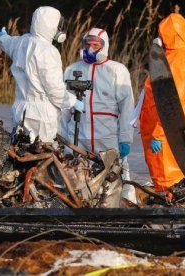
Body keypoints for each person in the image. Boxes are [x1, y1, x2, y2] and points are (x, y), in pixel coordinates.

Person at [60, 27, 135, 203]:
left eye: (96, 44)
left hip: (107, 136)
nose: (91, 48)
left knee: (117, 176)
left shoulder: (117, 70)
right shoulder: (72, 70)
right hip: (78, 137)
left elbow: (127, 107)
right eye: (88, 44)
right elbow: (62, 108)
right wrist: (61, 138)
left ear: (105, 46)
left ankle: (129, 211)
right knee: (74, 179)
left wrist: (125, 138)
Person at [139, 13, 185, 194]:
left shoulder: (174, 61)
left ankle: (171, 217)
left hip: (169, 132)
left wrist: (159, 134)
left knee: (167, 181)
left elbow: (169, 102)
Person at [0, 6, 84, 143]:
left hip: (20, 111)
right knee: (43, 156)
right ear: (52, 26)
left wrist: (3, 38)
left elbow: (9, 43)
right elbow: (54, 89)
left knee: (20, 153)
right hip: (41, 115)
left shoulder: (22, 41)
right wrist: (73, 101)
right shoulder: (48, 51)